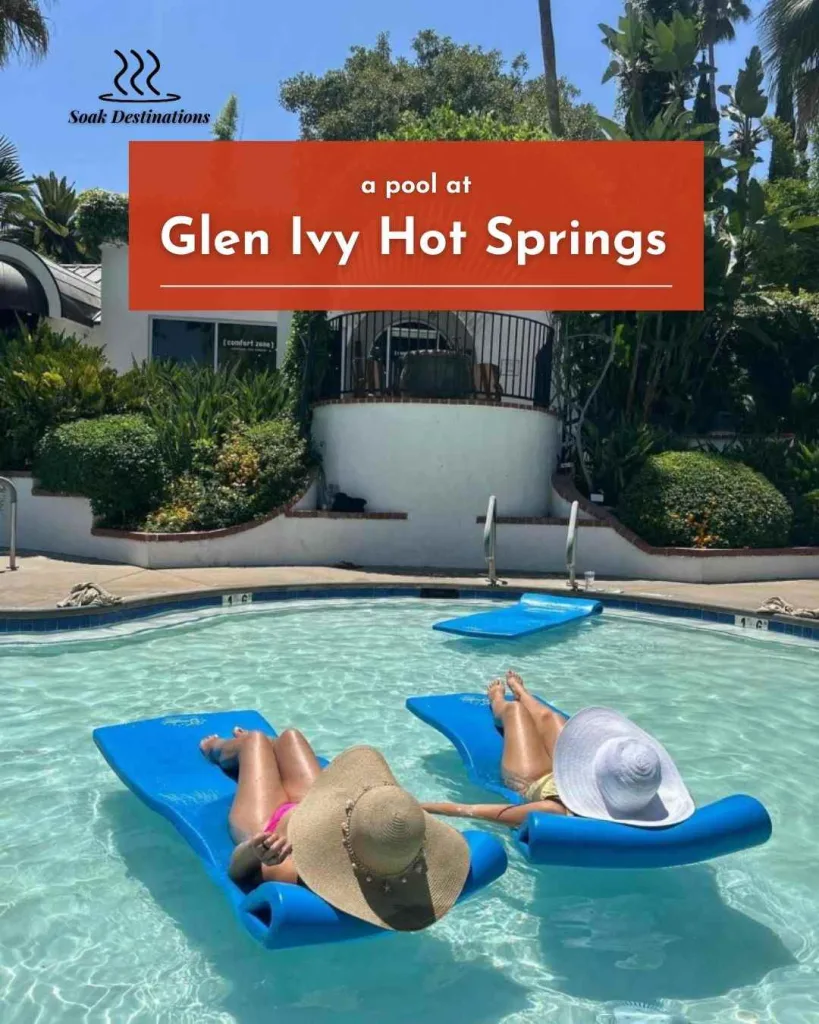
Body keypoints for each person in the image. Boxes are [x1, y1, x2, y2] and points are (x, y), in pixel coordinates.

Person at [200, 727, 471, 932]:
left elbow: (237, 871)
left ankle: (219, 748)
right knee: (291, 736)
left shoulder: (297, 870)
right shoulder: (392, 843)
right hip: (322, 809)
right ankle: (268, 753)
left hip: (268, 821)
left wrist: (254, 850)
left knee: (254, 741)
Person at [422, 671, 695, 829]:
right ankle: (524, 693)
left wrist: (422, 807)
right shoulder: (638, 787)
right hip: (577, 770)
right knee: (553, 720)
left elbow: (476, 810)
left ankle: (499, 701)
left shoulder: (556, 811)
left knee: (515, 713)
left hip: (535, 777)